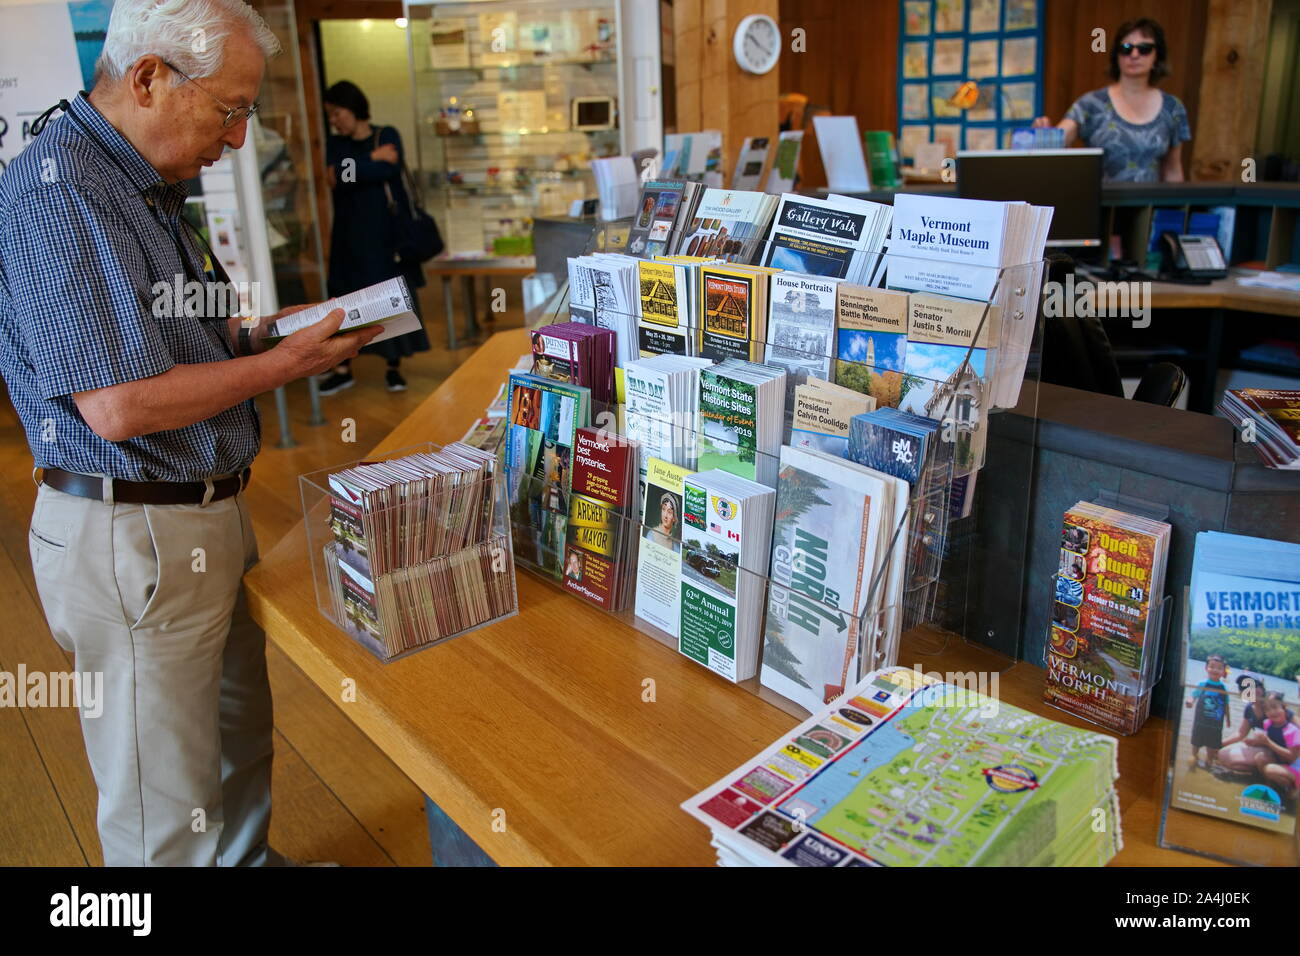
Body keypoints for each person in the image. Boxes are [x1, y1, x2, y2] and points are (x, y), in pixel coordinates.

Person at [0, 0, 381, 866]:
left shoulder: (141, 183)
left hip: (194, 516)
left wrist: (278, 334)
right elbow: (119, 405)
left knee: (234, 735)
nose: (239, 138)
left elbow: (190, 336)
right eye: (231, 109)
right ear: (148, 79)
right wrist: (279, 371)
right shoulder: (60, 191)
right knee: (160, 806)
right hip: (132, 530)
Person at [318, 80, 430, 395]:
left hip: (384, 238)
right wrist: (371, 162)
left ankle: (393, 367)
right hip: (347, 238)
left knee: (388, 299)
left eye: (337, 112)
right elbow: (337, 177)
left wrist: (355, 170)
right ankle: (342, 368)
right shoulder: (337, 143)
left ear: (353, 108)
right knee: (343, 300)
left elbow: (383, 171)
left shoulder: (387, 134)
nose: (334, 120)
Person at [1033, 17, 1191, 183]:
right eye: (1126, 48)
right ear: (1117, 56)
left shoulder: (1173, 108)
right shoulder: (1092, 103)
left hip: (1149, 205)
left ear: (1157, 56)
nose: (1134, 55)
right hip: (1100, 205)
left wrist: (1176, 207)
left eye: (1144, 49)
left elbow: (1173, 170)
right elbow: (1060, 138)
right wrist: (1044, 135)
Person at [1185, 654, 1232, 771]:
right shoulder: (1202, 684)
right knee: (1195, 746)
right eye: (1212, 666)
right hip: (1200, 724)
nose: (1215, 670)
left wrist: (1228, 720)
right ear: (1206, 668)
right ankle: (1193, 762)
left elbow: (1226, 705)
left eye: (1219, 668)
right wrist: (1190, 701)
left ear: (1223, 671)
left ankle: (1208, 764)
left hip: (1215, 726)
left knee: (1211, 749)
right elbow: (1194, 696)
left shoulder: (1224, 688)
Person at [1252, 695, 1300, 798]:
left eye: (1275, 707)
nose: (1272, 712)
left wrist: (1268, 742)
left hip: (1295, 767)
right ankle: (1270, 787)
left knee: (1270, 769)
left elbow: (1292, 757)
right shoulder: (1267, 724)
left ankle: (1292, 790)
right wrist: (1255, 742)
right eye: (1267, 709)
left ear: (1284, 707)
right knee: (1260, 758)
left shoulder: (1293, 731)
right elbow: (1271, 742)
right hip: (1282, 761)